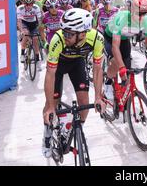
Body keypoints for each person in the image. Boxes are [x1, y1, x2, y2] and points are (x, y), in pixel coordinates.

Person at [42, 8, 105, 157]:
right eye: (64, 31)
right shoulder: (57, 39)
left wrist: (98, 97)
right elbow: (50, 74)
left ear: (82, 33)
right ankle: (47, 134)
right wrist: (51, 106)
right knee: (51, 103)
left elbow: (97, 69)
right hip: (59, 66)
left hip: (77, 63)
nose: (65, 36)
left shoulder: (97, 39)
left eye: (69, 34)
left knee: (85, 103)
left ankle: (78, 129)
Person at [103, 0, 147, 100]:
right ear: (131, 10)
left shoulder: (145, 20)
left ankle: (123, 100)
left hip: (124, 39)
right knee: (116, 62)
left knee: (127, 74)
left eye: (144, 13)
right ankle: (108, 82)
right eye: (139, 13)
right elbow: (115, 46)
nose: (141, 17)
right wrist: (121, 67)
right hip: (110, 38)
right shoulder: (122, 17)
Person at [17, 0, 42, 64]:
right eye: (26, 4)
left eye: (30, 4)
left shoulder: (36, 8)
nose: (28, 6)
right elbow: (19, 21)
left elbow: (39, 20)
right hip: (24, 23)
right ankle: (22, 53)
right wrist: (22, 31)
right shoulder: (20, 8)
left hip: (33, 23)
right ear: (24, 4)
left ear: (33, 4)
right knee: (26, 34)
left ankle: (37, 55)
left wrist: (38, 28)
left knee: (35, 38)